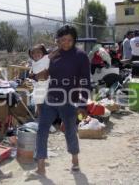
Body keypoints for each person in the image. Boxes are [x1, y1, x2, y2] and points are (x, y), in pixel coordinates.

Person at [27, 25, 91, 178]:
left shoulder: (80, 56)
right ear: (58, 41)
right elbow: (45, 71)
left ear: (74, 40)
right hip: (50, 98)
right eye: (62, 40)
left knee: (69, 131)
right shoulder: (54, 55)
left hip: (69, 101)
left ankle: (75, 160)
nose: (66, 43)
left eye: (69, 40)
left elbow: (85, 81)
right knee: (42, 130)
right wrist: (36, 76)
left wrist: (82, 104)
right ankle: (40, 167)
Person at [28, 44, 50, 117]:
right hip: (37, 85)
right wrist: (31, 74)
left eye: (38, 52)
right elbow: (32, 70)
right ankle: (39, 113)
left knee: (40, 101)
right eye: (33, 53)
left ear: (43, 53)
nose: (35, 54)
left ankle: (41, 116)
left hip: (45, 84)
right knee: (37, 99)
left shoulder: (46, 59)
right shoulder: (34, 62)